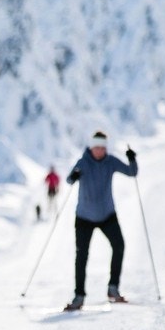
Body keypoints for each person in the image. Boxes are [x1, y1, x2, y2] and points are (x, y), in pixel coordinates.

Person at [63, 131, 138, 311]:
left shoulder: (110, 161)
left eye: (102, 148)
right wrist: (74, 176)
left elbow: (132, 172)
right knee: (81, 256)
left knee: (119, 246)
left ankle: (113, 289)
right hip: (84, 217)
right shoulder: (83, 162)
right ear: (91, 147)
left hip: (107, 215)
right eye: (96, 147)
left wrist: (132, 158)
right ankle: (79, 296)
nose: (99, 151)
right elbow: (68, 179)